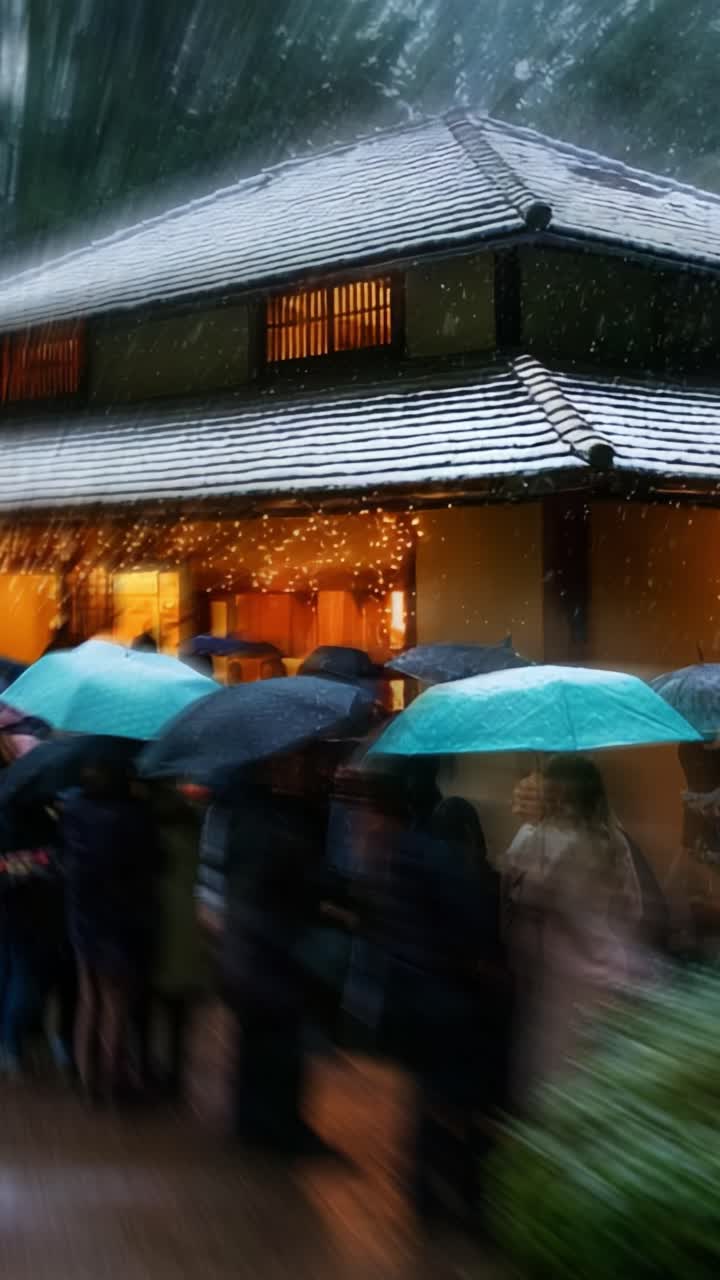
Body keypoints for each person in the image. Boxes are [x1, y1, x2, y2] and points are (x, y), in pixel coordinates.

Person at [373, 781, 496, 1231]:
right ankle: (464, 1197)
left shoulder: (404, 852)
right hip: (448, 999)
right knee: (460, 1103)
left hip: (412, 997)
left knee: (429, 1099)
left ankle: (425, 1193)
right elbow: (470, 937)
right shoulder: (447, 863)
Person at [504, 755, 643, 1109]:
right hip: (611, 968)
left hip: (560, 977)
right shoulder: (615, 841)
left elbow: (515, 905)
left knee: (559, 1084)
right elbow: (634, 908)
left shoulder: (534, 840)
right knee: (603, 1077)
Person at [60, 760, 158, 1104]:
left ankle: (88, 1084)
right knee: (116, 1004)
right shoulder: (136, 815)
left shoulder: (72, 809)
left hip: (82, 914)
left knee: (90, 1000)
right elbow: (151, 865)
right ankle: (111, 1083)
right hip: (121, 917)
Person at [136, 784, 209, 1102]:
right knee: (178, 1013)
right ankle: (175, 1077)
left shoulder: (144, 830)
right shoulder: (194, 824)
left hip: (151, 923)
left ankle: (144, 1069)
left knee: (143, 1008)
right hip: (184, 931)